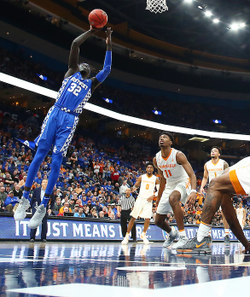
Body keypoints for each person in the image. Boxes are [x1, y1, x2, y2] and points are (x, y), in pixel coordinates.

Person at [14, 26, 113, 229]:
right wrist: (92, 31)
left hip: (70, 120)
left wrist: (109, 41)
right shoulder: (70, 72)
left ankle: (42, 205)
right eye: (82, 63)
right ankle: (24, 198)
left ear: (90, 72)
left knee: (57, 160)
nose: (84, 64)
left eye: (88, 65)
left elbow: (108, 69)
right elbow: (75, 44)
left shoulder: (91, 84)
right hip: (55, 112)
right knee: (40, 154)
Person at [153, 132, 197, 249]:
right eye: (160, 137)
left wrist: (193, 191)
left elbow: (192, 175)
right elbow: (162, 180)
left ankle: (183, 237)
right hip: (169, 184)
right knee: (158, 221)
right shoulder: (156, 159)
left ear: (170, 142)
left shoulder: (178, 155)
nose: (161, 138)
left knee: (173, 198)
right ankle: (172, 233)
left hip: (183, 181)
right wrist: (158, 198)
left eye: (165, 137)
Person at [199, 146, 231, 243]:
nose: (212, 152)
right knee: (209, 213)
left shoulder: (224, 164)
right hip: (212, 190)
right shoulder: (207, 164)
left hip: (223, 189)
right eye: (211, 151)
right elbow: (205, 178)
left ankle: (226, 234)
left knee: (224, 213)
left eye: (215, 151)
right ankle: (208, 235)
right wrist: (201, 187)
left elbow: (228, 176)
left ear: (219, 154)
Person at [122, 163, 159, 245]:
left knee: (148, 218)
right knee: (133, 217)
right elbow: (136, 185)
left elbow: (159, 191)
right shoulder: (142, 177)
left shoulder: (155, 179)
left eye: (151, 167)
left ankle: (143, 235)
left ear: (153, 169)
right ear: (146, 169)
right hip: (140, 199)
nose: (149, 169)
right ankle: (127, 236)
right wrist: (133, 187)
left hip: (148, 200)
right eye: (148, 167)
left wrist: (153, 196)